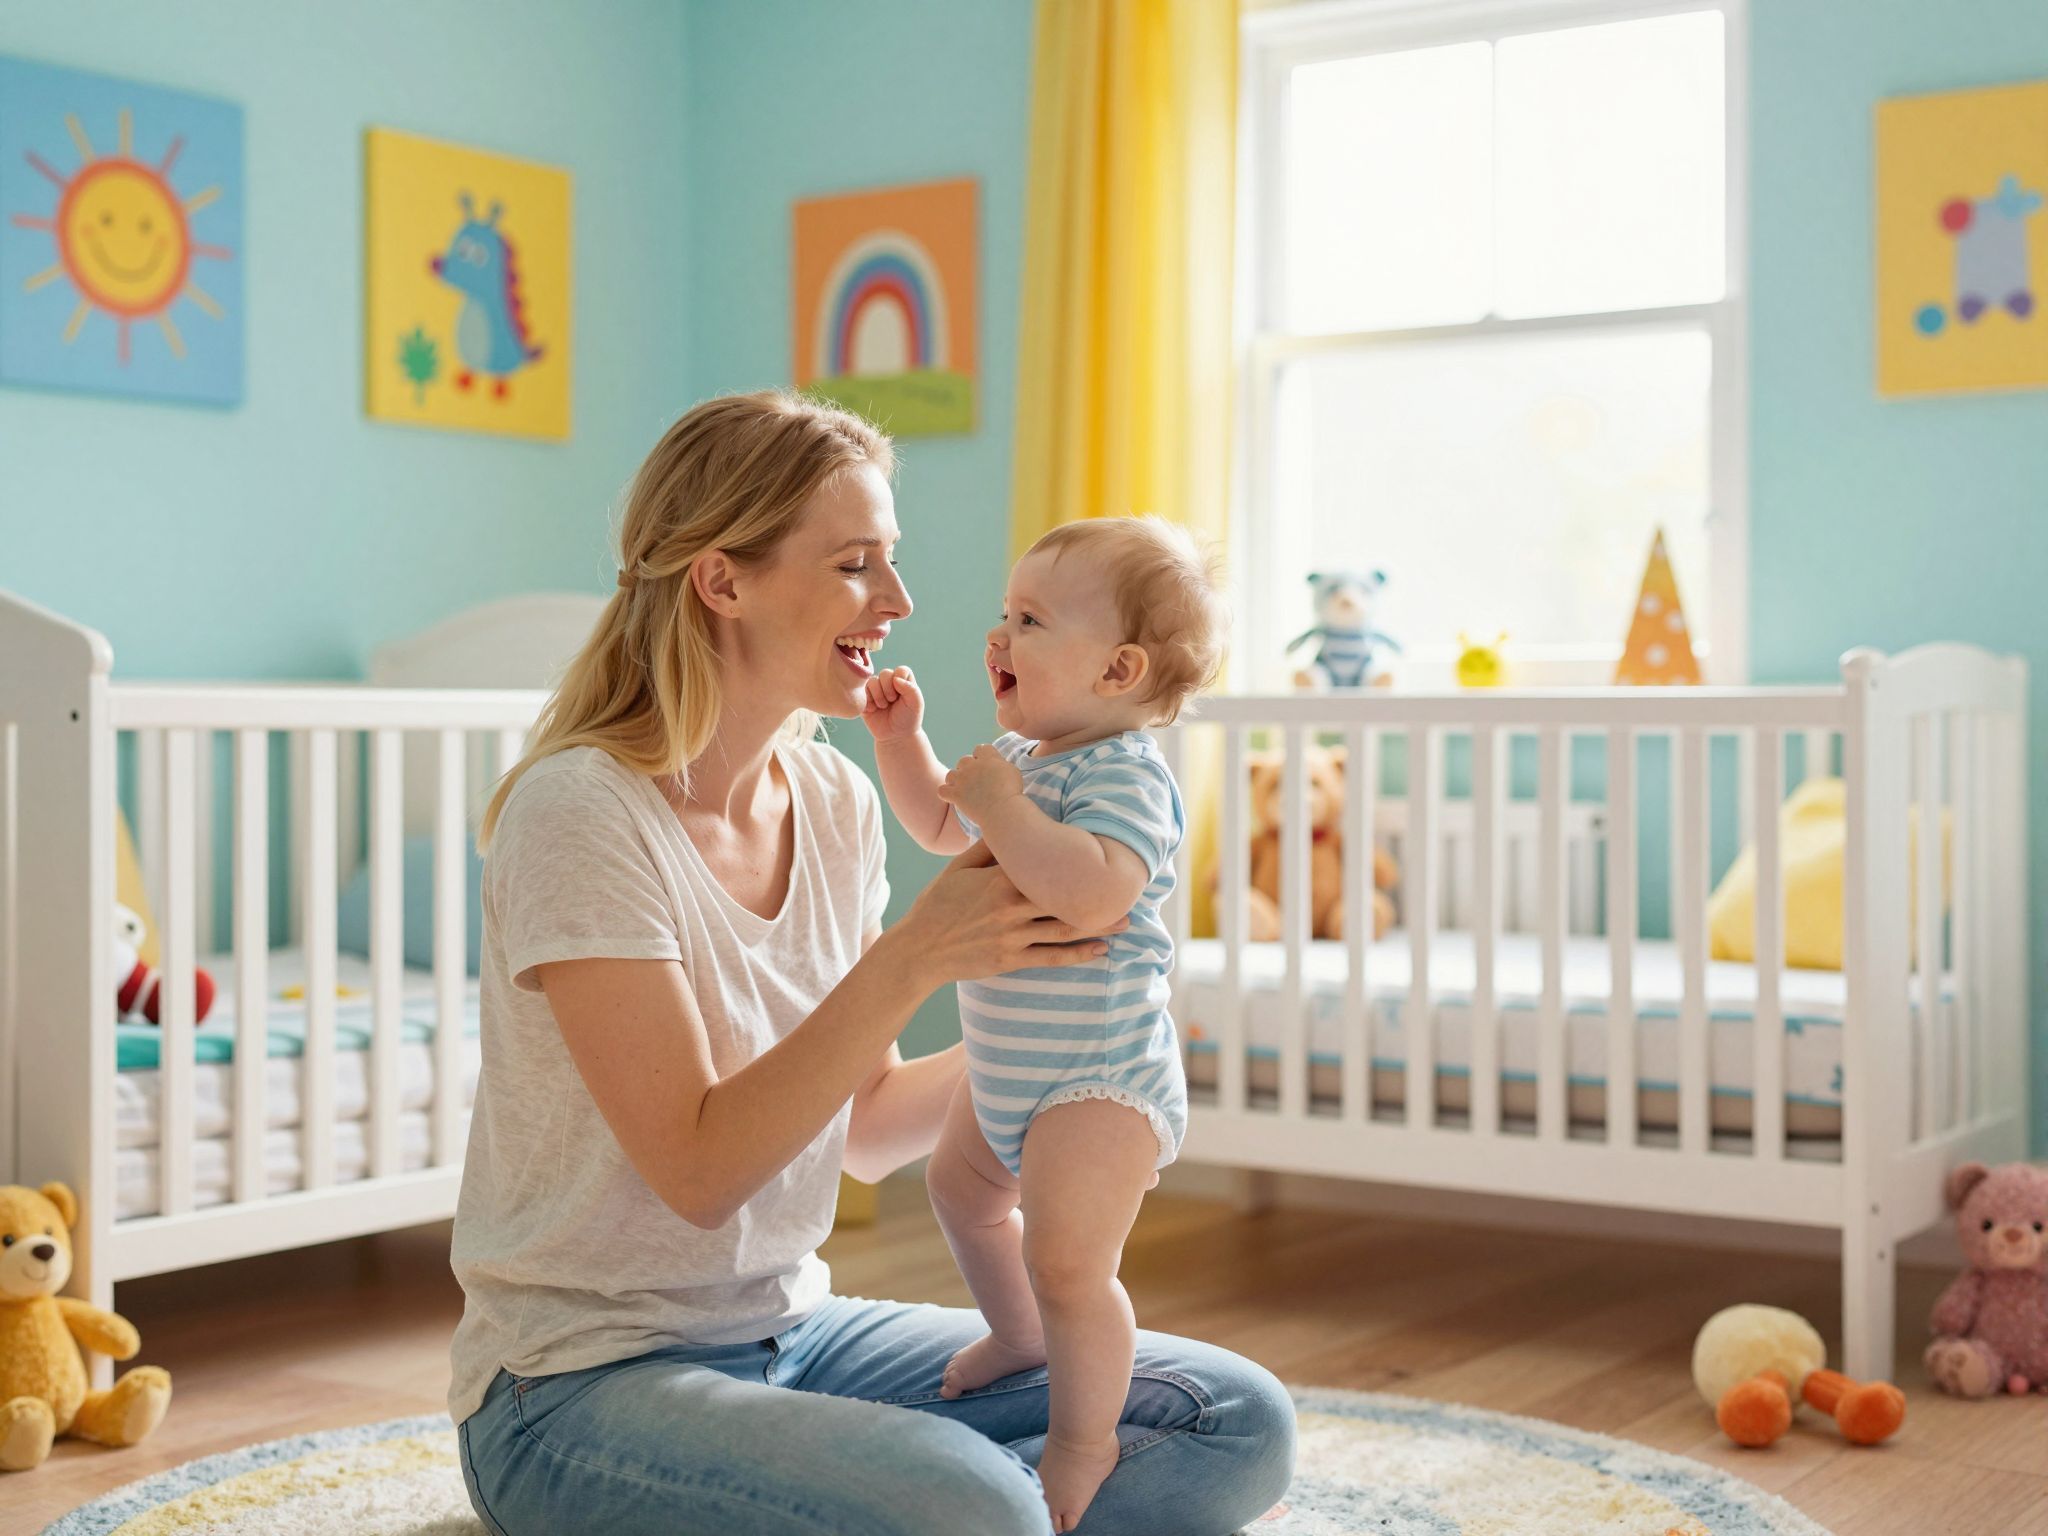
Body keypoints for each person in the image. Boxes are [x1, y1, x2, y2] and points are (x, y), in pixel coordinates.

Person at [450, 391, 1295, 1536]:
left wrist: (1090, 1037)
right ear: (722, 581)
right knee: (972, 1508)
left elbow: (865, 1129)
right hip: (577, 1385)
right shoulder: (580, 813)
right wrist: (911, 959)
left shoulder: (834, 797)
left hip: (797, 1334)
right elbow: (697, 1174)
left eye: (889, 561)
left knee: (1232, 1419)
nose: (898, 601)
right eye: (855, 566)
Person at [862, 516, 1224, 1528]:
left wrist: (1006, 808)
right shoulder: (1024, 758)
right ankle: (1020, 1337)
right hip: (1011, 1069)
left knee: (1068, 1262)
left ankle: (1082, 1437)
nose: (998, 636)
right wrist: (901, 744)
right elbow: (943, 826)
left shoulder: (1125, 773)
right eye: (1004, 613)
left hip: (1097, 1077)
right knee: (960, 1190)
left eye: (1029, 620)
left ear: (1117, 670)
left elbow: (1094, 893)